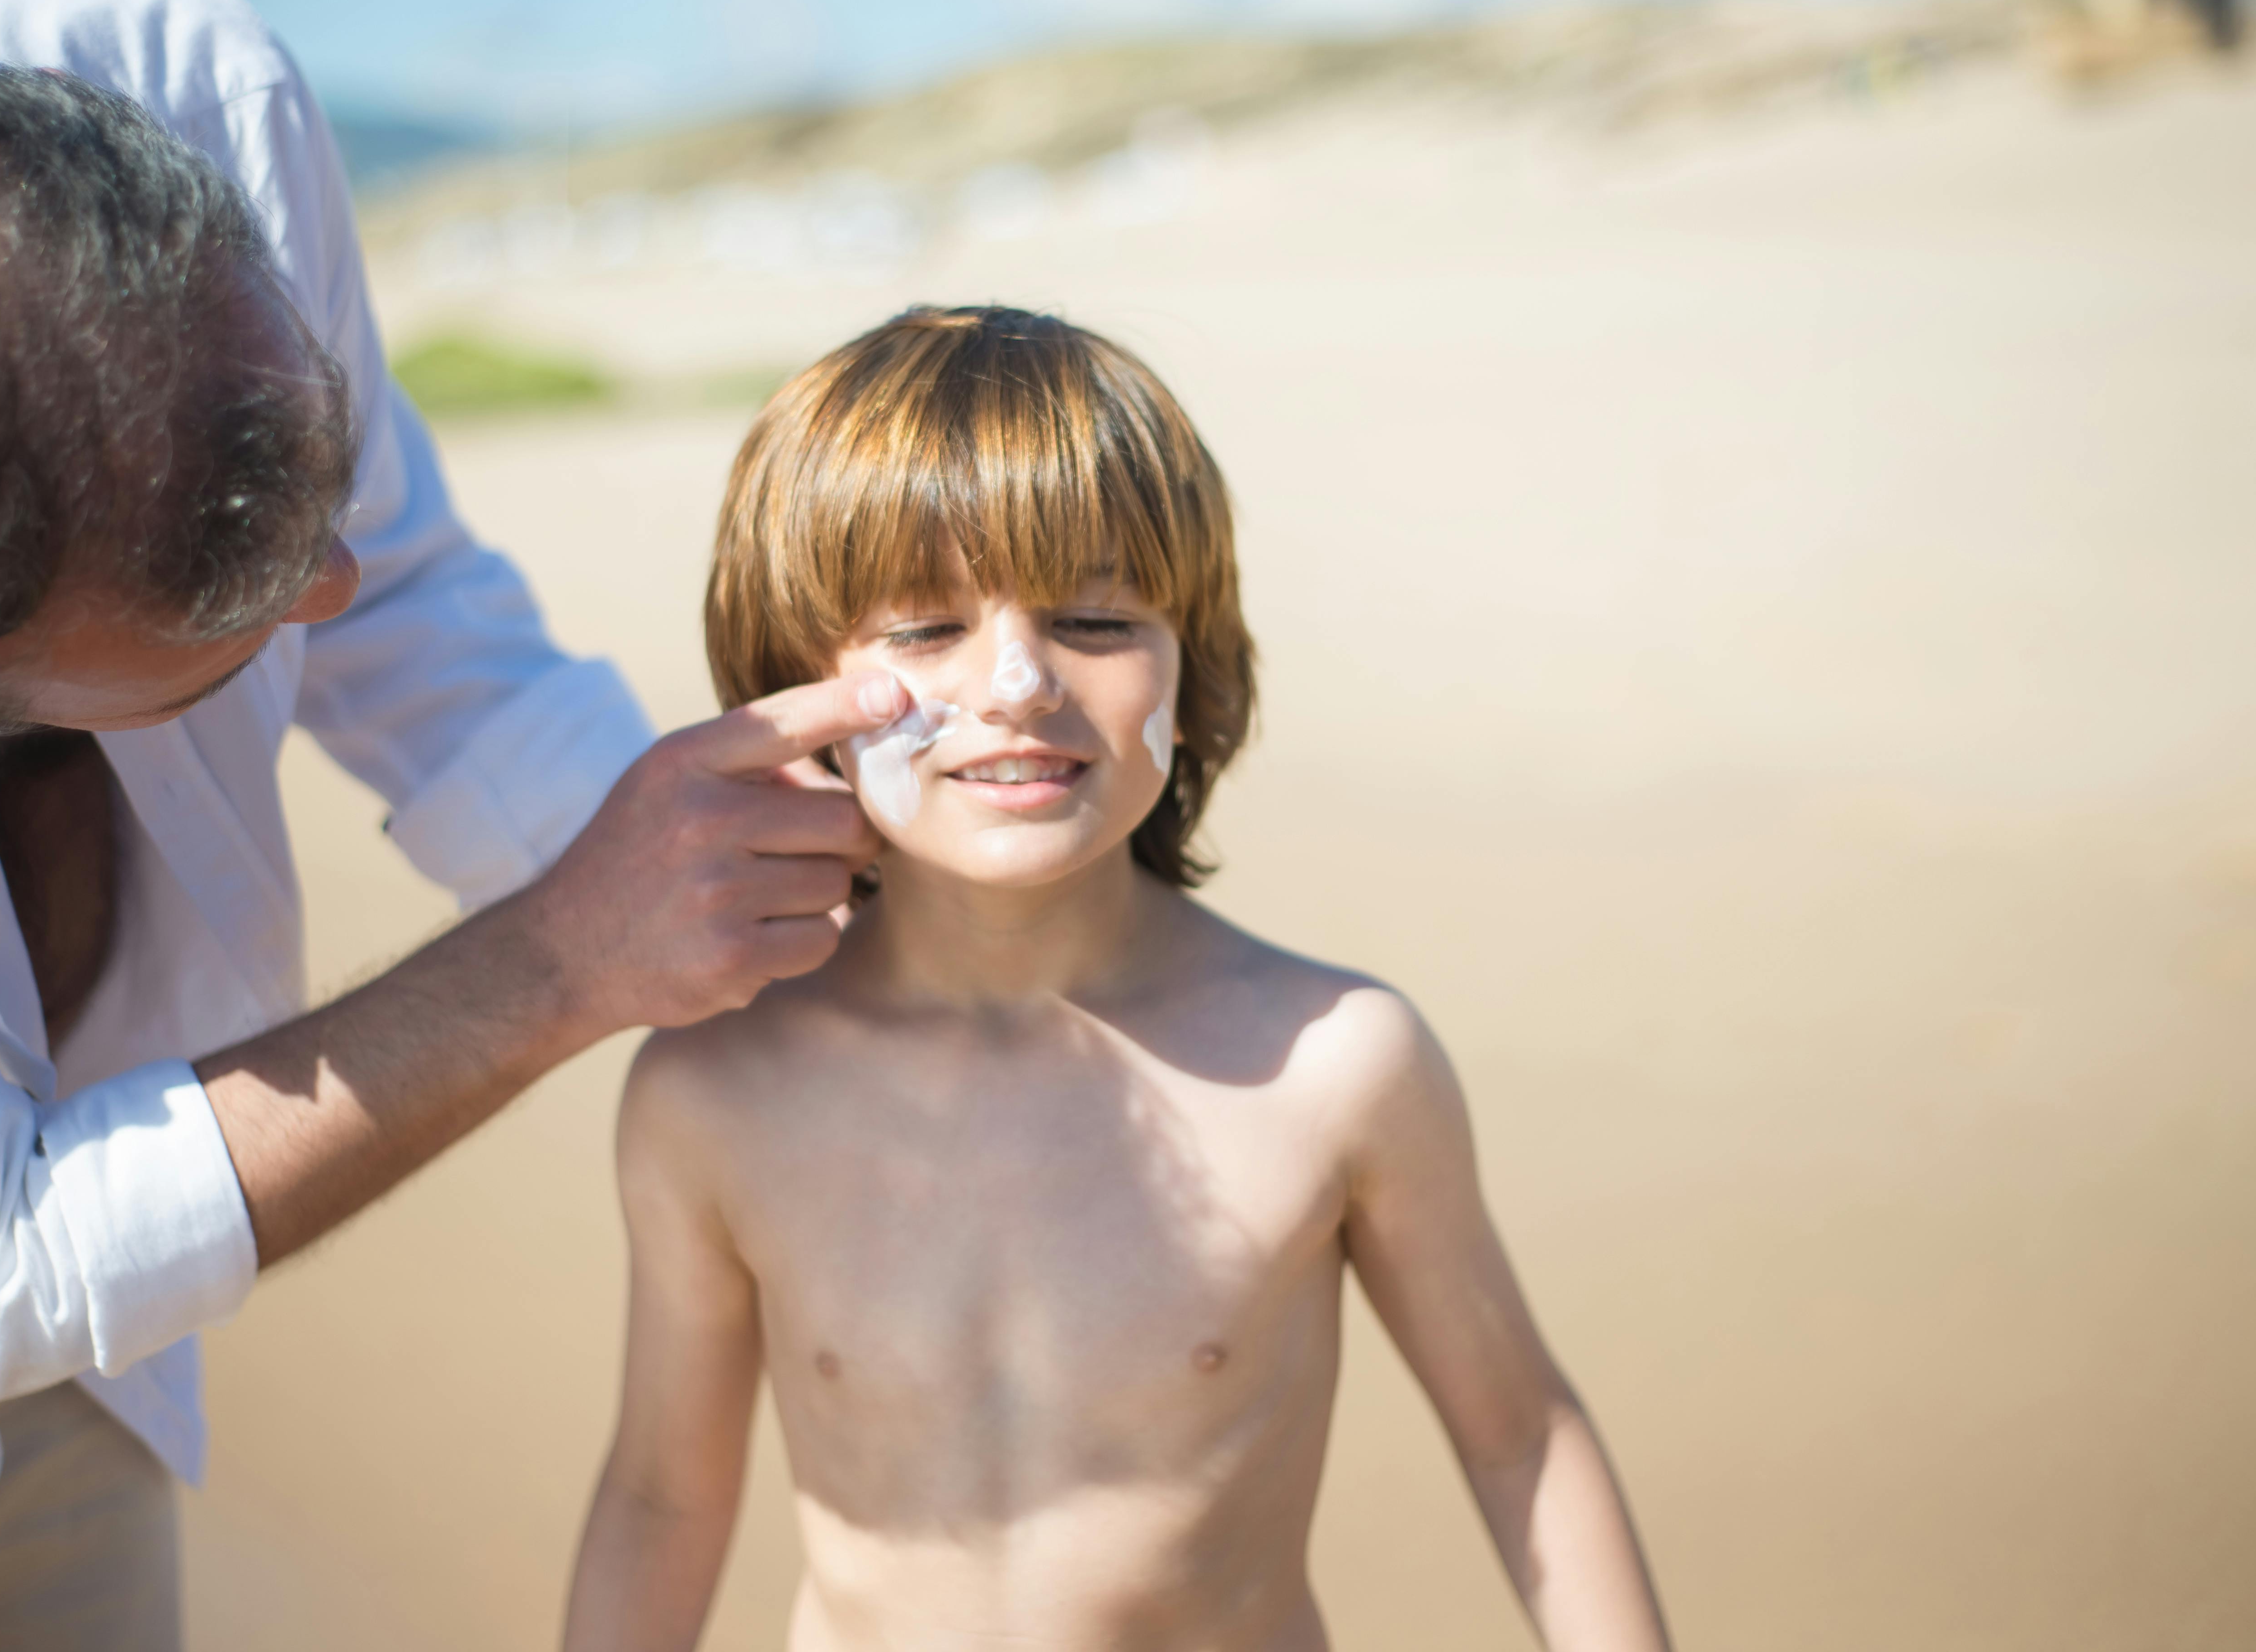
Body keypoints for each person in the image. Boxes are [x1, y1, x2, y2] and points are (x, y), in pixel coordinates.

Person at [0, 0, 892, 1649]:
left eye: (315, 476)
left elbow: (417, 589)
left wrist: (771, 936)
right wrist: (565, 959)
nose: (340, 589)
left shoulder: (198, 87)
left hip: (105, 1370)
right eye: (223, 625)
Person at [564, 306, 1670, 1652]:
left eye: (1095, 616)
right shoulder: (714, 1089)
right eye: (923, 629)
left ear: (1193, 662)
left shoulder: (1332, 1064)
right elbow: (664, 1498)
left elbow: (1521, 1440)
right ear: (792, 685)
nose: (1020, 681)